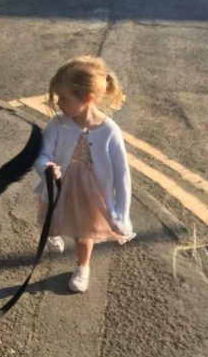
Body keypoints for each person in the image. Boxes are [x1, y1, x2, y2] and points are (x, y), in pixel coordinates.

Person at [34, 55, 135, 293]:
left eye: (64, 98)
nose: (59, 103)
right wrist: (46, 167)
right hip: (59, 187)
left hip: (90, 193)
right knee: (51, 223)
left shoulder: (109, 131)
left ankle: (82, 267)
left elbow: (122, 176)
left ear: (87, 99)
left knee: (84, 234)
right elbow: (42, 153)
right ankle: (53, 236)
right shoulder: (57, 124)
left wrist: (121, 214)